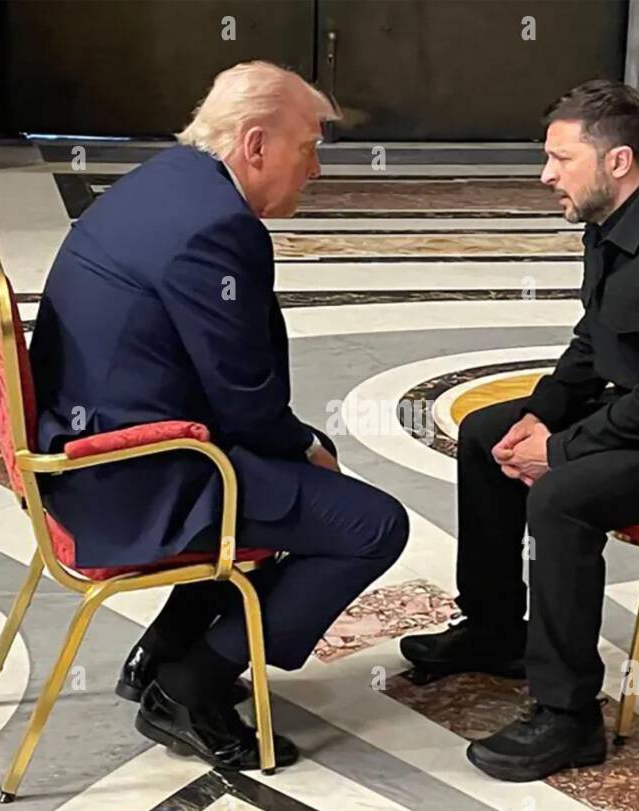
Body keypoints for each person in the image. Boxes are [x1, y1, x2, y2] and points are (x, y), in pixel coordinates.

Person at [28, 61, 409, 771]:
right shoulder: (215, 228)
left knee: (297, 488)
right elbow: (242, 396)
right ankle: (188, 685)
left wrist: (290, 446)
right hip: (134, 476)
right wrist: (304, 447)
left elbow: (221, 382)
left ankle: (164, 650)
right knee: (371, 523)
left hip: (88, 451)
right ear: (256, 144)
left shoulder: (166, 182)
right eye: (308, 149)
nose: (316, 170)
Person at [400, 79, 639, 782]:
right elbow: (592, 341)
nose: (546, 175)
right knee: (488, 433)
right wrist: (540, 414)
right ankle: (493, 629)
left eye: (560, 159)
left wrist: (561, 451)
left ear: (617, 161)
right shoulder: (611, 222)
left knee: (561, 496)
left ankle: (568, 715)